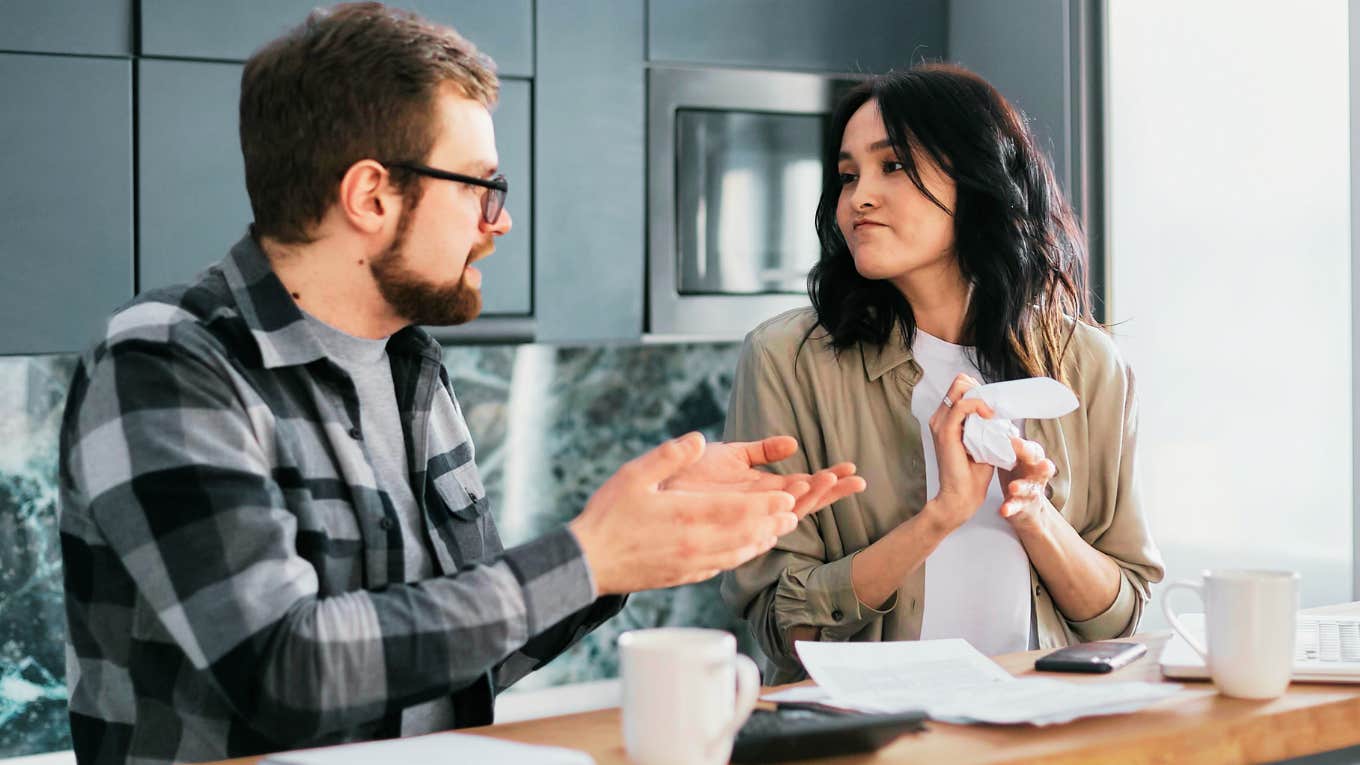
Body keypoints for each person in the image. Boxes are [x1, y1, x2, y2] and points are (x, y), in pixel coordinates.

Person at [57, 5, 864, 764]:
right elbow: (282, 667)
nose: (498, 221)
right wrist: (588, 556)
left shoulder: (413, 367)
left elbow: (451, 646)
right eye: (481, 186)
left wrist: (638, 547)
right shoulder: (167, 364)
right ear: (372, 195)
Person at [720, 64, 1165, 683]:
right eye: (848, 176)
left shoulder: (1088, 364)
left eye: (892, 165)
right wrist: (943, 512)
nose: (859, 198)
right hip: (868, 735)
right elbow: (781, 627)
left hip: (1043, 728)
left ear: (977, 177)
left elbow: (1121, 618)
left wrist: (1031, 509)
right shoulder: (786, 360)